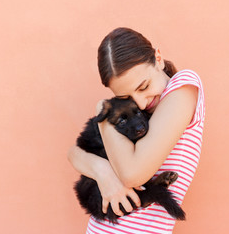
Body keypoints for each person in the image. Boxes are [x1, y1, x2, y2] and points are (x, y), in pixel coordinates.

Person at [68, 27, 205, 234]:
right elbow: (74, 153)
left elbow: (132, 175)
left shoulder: (183, 85)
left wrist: (102, 110)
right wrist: (102, 171)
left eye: (143, 86)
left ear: (158, 58)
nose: (140, 104)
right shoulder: (140, 113)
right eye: (128, 98)